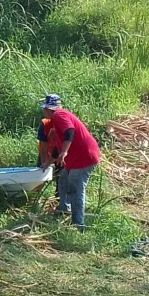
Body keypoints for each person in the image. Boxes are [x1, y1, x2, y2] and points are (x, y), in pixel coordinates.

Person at [38, 95, 101, 231]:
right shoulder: (56, 121)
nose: (44, 112)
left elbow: (69, 131)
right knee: (63, 179)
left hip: (84, 157)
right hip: (76, 158)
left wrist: (64, 152)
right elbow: (57, 148)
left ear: (49, 109)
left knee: (75, 189)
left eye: (44, 109)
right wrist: (47, 163)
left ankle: (78, 224)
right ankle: (63, 209)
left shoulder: (59, 115)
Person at [37, 113, 61, 201]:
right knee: (39, 175)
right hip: (47, 151)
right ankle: (35, 199)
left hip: (61, 153)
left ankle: (59, 201)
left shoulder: (64, 123)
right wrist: (45, 163)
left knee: (61, 178)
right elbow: (43, 146)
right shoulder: (44, 124)